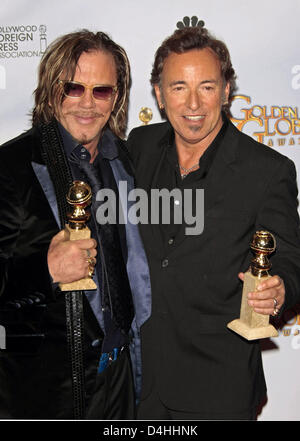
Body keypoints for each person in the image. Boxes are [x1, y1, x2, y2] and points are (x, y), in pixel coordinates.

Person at [127, 26, 300, 420]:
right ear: (158, 93)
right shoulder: (138, 147)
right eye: (178, 88)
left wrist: (280, 288)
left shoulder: (268, 171)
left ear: (226, 91)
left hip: (218, 384)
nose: (193, 103)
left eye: (206, 87)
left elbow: (290, 257)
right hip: (139, 382)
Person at [0, 29, 150, 419]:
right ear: (52, 90)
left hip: (121, 382)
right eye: (73, 88)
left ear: (116, 97)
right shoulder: (10, 167)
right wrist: (44, 270)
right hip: (49, 393)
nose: (88, 104)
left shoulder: (124, 163)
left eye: (102, 91)